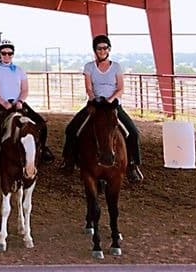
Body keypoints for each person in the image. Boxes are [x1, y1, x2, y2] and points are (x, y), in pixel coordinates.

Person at [61, 35, 143, 183]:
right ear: (95, 50)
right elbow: (88, 87)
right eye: (99, 48)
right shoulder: (89, 67)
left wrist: (110, 100)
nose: (102, 50)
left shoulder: (116, 66)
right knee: (72, 129)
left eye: (105, 48)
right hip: (95, 104)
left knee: (133, 133)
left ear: (109, 49)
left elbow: (120, 88)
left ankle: (133, 165)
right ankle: (69, 160)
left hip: (113, 105)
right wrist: (94, 99)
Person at [0, 39, 54, 174]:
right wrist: (4, 103)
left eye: (10, 53)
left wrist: (20, 101)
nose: (7, 56)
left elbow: (25, 89)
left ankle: (42, 149)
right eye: (4, 53)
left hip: (18, 103)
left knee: (41, 123)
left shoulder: (19, 70)